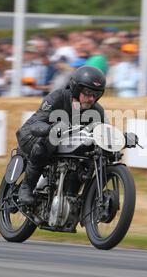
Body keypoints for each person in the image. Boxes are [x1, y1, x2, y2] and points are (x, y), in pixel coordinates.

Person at [15, 66, 107, 206]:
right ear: (76, 89)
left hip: (63, 142)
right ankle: (26, 188)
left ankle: (73, 196)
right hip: (31, 136)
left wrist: (122, 138)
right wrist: (50, 128)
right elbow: (35, 123)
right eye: (88, 93)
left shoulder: (96, 110)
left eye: (96, 95)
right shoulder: (58, 97)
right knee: (48, 141)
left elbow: (104, 131)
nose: (91, 99)